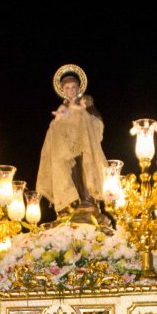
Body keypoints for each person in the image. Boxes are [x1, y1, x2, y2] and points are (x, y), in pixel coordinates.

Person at [37, 65, 107, 218]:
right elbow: (57, 125)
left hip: (83, 143)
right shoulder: (63, 107)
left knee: (85, 167)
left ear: (78, 88)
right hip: (67, 148)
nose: (71, 90)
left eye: (73, 87)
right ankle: (74, 202)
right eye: (67, 88)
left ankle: (87, 199)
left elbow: (95, 119)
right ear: (64, 91)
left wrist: (88, 110)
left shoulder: (85, 101)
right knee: (71, 171)